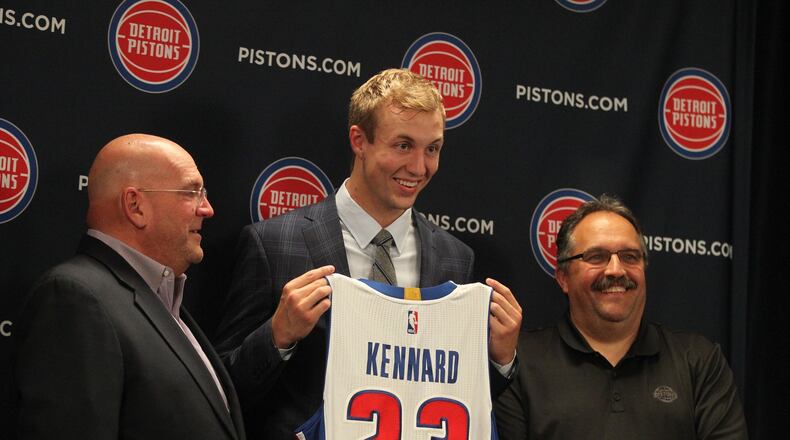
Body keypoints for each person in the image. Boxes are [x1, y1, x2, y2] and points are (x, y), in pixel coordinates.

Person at [214, 68, 522, 439]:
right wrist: (278, 335)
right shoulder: (274, 244)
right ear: (359, 141)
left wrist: (499, 359)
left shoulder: (455, 258)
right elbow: (220, 390)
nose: (419, 167)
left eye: (433, 149)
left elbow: (458, 398)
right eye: (403, 145)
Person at [12, 134, 246, 440]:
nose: (208, 209)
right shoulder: (75, 300)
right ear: (135, 205)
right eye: (191, 193)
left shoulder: (159, 298)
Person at [494, 195, 748, 439]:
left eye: (630, 257)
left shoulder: (698, 360)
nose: (616, 270)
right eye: (596, 257)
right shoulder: (518, 363)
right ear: (563, 277)